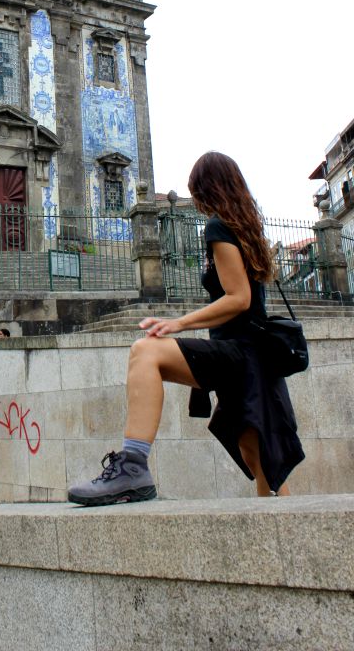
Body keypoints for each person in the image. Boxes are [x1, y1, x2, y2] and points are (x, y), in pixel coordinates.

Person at [68, 151, 305, 506]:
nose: (193, 199)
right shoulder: (245, 227)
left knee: (145, 351)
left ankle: (133, 467)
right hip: (254, 357)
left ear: (207, 188)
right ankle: (285, 522)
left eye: (195, 190)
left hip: (239, 353)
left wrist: (178, 323)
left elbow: (238, 298)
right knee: (260, 458)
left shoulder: (218, 226)